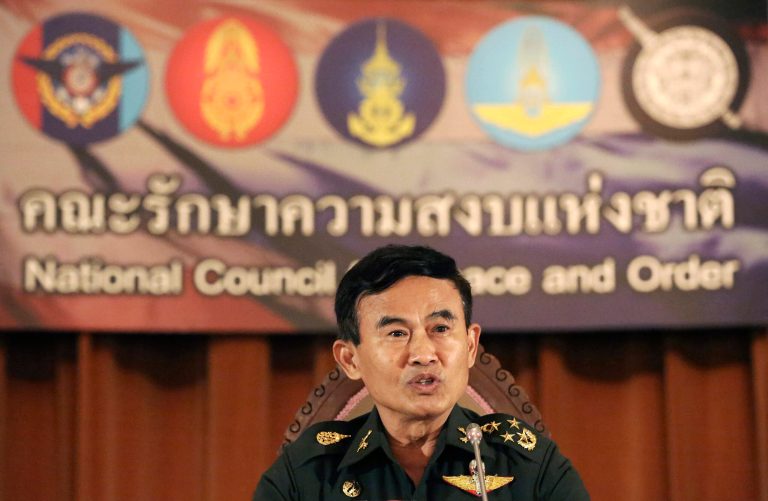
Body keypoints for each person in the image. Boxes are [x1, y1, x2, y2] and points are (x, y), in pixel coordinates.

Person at [254, 244, 589, 500]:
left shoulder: (529, 465)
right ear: (350, 359)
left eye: (440, 328)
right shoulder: (310, 472)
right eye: (397, 333)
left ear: (470, 346)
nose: (424, 354)